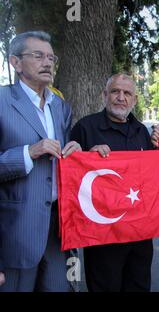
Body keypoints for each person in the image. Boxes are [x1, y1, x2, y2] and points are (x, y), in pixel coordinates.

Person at [0, 31, 81, 292]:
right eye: (38, 56)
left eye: (51, 57)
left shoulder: (60, 106)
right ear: (16, 62)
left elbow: (63, 159)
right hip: (15, 234)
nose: (48, 63)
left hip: (60, 230)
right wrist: (28, 152)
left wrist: (75, 152)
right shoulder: (2, 101)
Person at [70, 73, 155, 292]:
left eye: (127, 93)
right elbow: (70, 176)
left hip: (140, 235)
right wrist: (86, 158)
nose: (121, 97)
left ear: (134, 100)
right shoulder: (85, 128)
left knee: (139, 287)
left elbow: (152, 177)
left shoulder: (142, 131)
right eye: (115, 91)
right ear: (105, 95)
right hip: (102, 237)